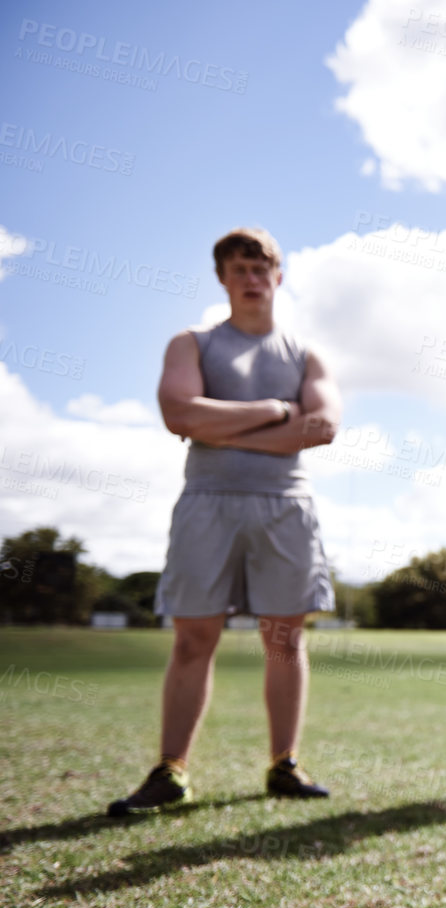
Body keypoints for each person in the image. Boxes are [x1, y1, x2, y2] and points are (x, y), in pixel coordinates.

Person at [109, 228, 341, 816]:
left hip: (286, 505)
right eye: (239, 268)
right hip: (206, 502)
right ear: (222, 278)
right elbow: (178, 412)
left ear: (279, 276)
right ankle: (171, 770)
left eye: (262, 267)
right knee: (193, 639)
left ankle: (284, 764)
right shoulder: (192, 343)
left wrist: (217, 424)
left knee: (285, 639)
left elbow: (322, 427)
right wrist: (270, 412)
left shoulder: (306, 354)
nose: (251, 277)